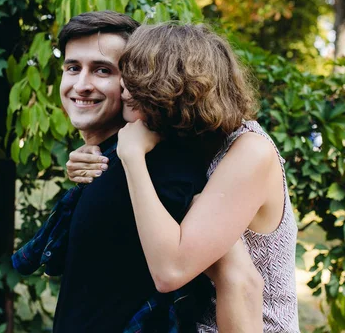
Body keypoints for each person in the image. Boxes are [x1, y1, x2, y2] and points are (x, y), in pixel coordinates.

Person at [67, 23, 300, 332]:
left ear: (172, 86)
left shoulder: (250, 152)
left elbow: (171, 269)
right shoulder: (189, 142)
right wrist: (89, 157)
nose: (123, 88)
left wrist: (133, 159)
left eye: (136, 78)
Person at [12, 11, 221, 332]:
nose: (81, 85)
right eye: (72, 68)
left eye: (102, 70)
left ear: (133, 81)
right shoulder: (105, 163)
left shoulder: (162, 165)